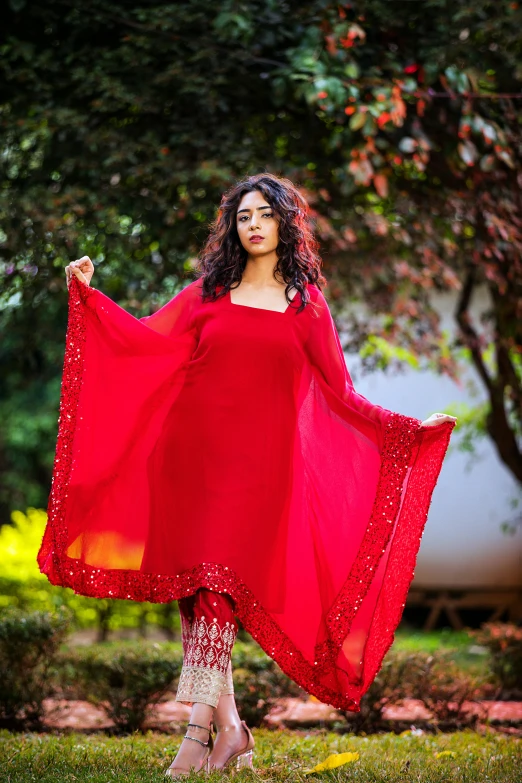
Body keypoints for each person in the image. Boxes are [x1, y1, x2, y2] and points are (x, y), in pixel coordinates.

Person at [40, 173, 456, 778]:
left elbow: (341, 395)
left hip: (260, 475)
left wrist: (409, 432)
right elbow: (140, 341)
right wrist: (86, 296)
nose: (253, 224)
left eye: (264, 214)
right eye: (242, 216)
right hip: (186, 461)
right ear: (232, 229)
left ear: (287, 223)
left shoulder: (306, 305)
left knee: (218, 587)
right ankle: (228, 731)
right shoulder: (206, 292)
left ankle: (195, 736)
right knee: (198, 593)